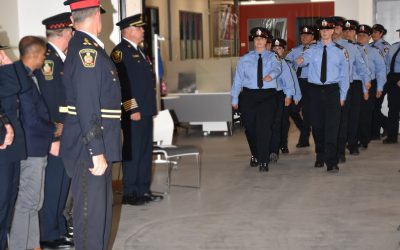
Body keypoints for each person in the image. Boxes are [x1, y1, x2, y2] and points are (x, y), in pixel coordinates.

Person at [60, 0, 122, 249]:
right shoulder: (88, 53)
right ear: (98, 15)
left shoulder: (87, 48)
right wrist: (96, 151)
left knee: (99, 216)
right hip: (89, 150)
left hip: (93, 145)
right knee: (90, 218)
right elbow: (87, 105)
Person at [8, 36, 58, 250]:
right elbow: (30, 118)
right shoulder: (21, 78)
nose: (44, 58)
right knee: (27, 202)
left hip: (37, 146)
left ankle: (33, 244)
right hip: (31, 148)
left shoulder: (27, 75)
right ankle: (21, 246)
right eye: (44, 54)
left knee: (34, 201)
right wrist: (53, 128)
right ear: (36, 54)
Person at [111, 14, 162, 206]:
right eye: (139, 28)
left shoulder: (139, 51)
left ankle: (143, 190)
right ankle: (130, 192)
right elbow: (122, 84)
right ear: (129, 31)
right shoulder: (120, 52)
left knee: (145, 151)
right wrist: (132, 108)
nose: (143, 31)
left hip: (145, 110)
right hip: (133, 112)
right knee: (133, 152)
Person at [35, 12, 74, 249]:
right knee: (53, 185)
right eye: (71, 32)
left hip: (65, 131)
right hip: (55, 135)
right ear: (65, 33)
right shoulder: (49, 60)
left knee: (62, 183)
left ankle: (57, 226)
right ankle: (48, 234)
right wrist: (55, 136)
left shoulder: (60, 58)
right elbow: (49, 103)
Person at [296, 17, 350, 172]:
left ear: (333, 31)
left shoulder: (341, 51)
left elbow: (344, 75)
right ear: (320, 32)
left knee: (332, 127)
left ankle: (331, 161)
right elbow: (305, 59)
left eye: (328, 29)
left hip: (333, 91)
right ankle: (320, 154)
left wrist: (343, 95)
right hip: (314, 91)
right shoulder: (312, 49)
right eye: (323, 29)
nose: (325, 32)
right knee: (318, 126)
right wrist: (301, 59)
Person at [231, 27, 281, 172]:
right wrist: (235, 98)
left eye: (262, 39)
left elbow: (277, 68)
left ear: (266, 41)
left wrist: (271, 75)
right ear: (254, 41)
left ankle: (263, 161)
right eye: (256, 39)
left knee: (264, 128)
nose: (259, 41)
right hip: (249, 96)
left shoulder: (273, 57)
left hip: (268, 96)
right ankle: (255, 154)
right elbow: (238, 79)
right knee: (250, 128)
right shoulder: (245, 58)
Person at [331, 17, 370, 161]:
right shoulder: (319, 47)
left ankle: (348, 146)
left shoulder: (352, 47)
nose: (346, 32)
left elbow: (362, 68)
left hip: (350, 85)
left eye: (349, 30)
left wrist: (366, 88)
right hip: (328, 87)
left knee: (348, 118)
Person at [0, 46, 27, 250]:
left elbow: (18, 86)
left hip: (11, 148)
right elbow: (11, 87)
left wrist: (7, 64)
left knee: (8, 203)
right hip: (3, 145)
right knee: (2, 204)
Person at [355, 25, 386, 150]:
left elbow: (381, 70)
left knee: (366, 114)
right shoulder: (352, 49)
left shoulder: (374, 51)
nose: (361, 37)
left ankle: (364, 139)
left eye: (364, 35)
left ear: (369, 37)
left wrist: (379, 88)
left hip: (370, 85)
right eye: (359, 35)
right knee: (354, 114)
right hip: (356, 85)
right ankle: (353, 138)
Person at [285, 25, 315, 149]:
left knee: (308, 112)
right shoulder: (296, 50)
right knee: (293, 110)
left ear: (313, 37)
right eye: (302, 35)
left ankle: (304, 139)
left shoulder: (317, 49)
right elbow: (286, 62)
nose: (304, 37)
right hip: (298, 83)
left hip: (311, 83)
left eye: (307, 35)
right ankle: (305, 130)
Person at [269, 38, 296, 163]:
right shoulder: (266, 61)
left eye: (279, 48)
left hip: (281, 95)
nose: (276, 50)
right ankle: (268, 148)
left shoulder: (284, 63)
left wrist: (291, 96)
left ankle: (277, 148)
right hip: (266, 95)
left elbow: (291, 81)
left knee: (280, 123)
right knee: (268, 124)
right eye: (274, 48)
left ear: (284, 50)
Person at [371, 24, 391, 140]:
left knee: (375, 106)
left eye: (376, 32)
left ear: (381, 33)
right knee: (373, 107)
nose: (373, 34)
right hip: (372, 80)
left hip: (382, 80)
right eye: (372, 32)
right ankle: (375, 132)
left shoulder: (385, 47)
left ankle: (387, 125)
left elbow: (383, 65)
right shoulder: (369, 46)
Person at [383, 28, 400, 144]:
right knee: (393, 108)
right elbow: (387, 63)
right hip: (393, 79)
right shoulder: (393, 47)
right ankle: (392, 136)